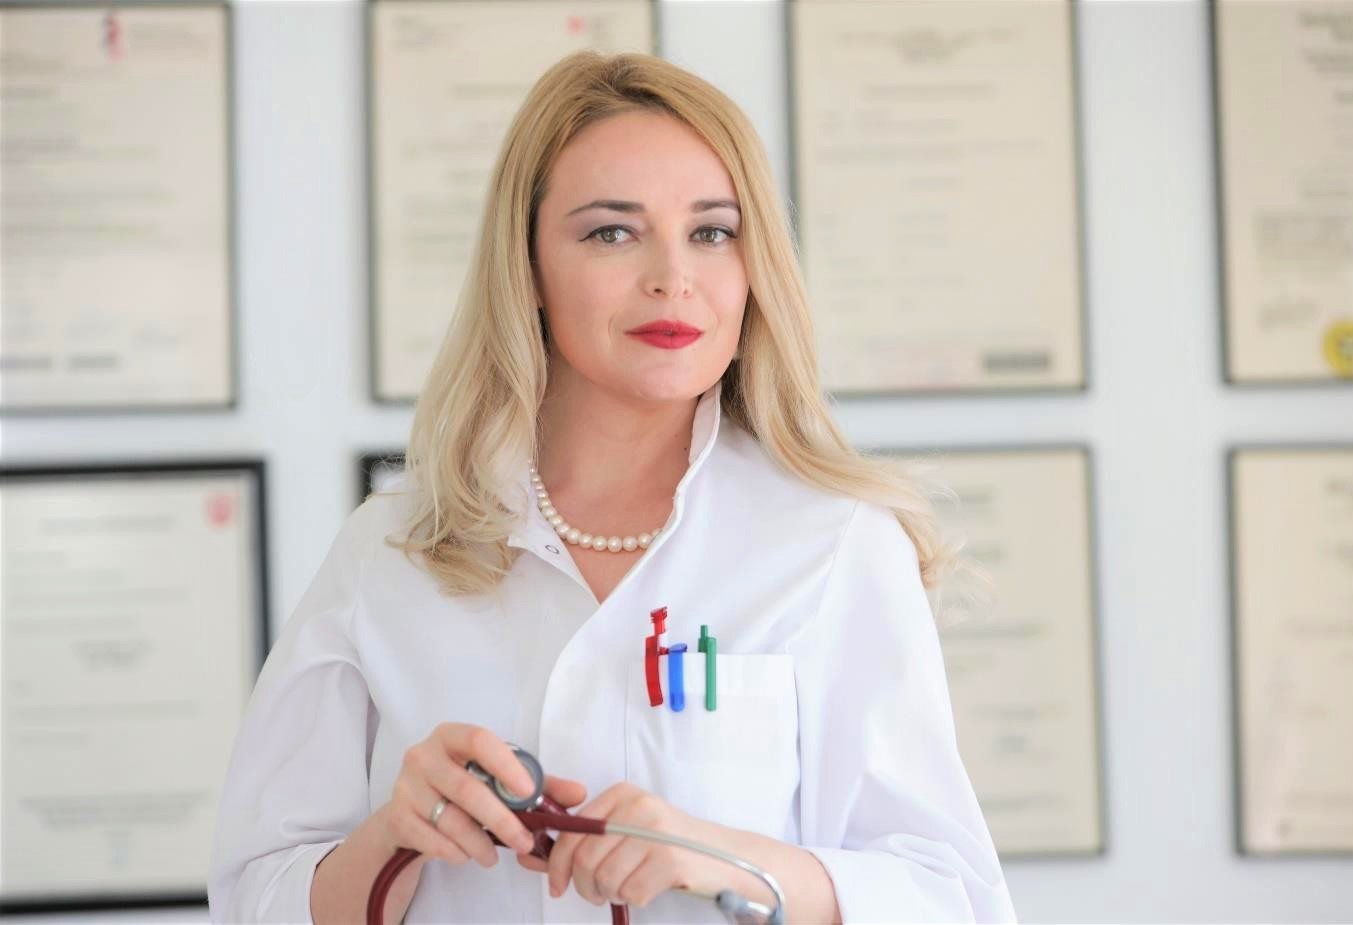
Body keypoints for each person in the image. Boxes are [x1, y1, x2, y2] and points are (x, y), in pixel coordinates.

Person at [207, 50, 1015, 924]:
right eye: (611, 233)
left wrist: (724, 859)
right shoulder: (391, 549)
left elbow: (955, 900)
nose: (673, 276)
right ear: (528, 268)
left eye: (712, 232)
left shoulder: (836, 540)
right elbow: (253, 894)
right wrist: (390, 839)